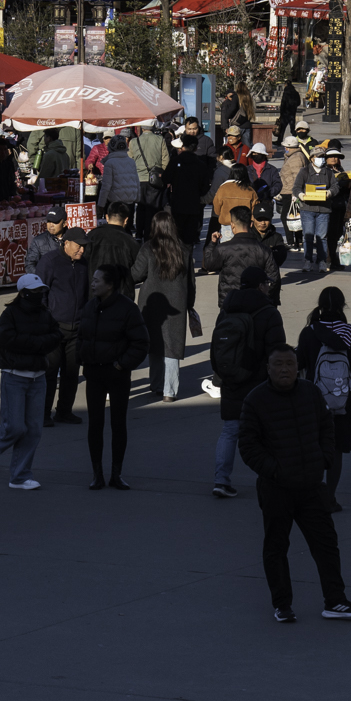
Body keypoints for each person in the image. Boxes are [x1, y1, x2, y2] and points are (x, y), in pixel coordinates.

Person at [240, 345, 351, 623]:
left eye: (289, 363)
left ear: (298, 366)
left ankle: (335, 601)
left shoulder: (311, 392)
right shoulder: (255, 400)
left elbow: (327, 426)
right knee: (276, 547)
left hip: (311, 486)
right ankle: (282, 604)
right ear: (268, 368)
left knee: (326, 544)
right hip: (277, 488)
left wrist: (322, 459)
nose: (284, 369)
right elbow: (248, 446)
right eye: (278, 364)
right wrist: (274, 470)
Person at [209, 264, 285, 497]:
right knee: (268, 431)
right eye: (267, 284)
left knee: (230, 429)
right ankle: (272, 477)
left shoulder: (228, 308)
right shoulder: (269, 312)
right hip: (259, 379)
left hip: (232, 375)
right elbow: (277, 350)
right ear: (261, 286)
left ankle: (221, 480)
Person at [0, 272, 62, 489]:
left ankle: (20, 476)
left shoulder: (45, 314)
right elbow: (4, 340)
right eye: (36, 292)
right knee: (16, 426)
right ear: (24, 293)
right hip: (14, 377)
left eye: (42, 291)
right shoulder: (9, 315)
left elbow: (56, 336)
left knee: (34, 429)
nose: (40, 296)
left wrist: (35, 344)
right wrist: (37, 344)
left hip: (38, 378)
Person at [78, 264, 150, 489]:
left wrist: (122, 365)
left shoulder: (127, 309)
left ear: (109, 285)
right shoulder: (90, 307)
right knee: (95, 425)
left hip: (116, 374)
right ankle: (97, 474)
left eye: (97, 280)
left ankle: (116, 474)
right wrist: (83, 358)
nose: (93, 283)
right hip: (94, 373)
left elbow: (141, 343)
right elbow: (82, 338)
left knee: (118, 424)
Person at [295, 287, 351, 493]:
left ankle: (313, 492)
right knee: (336, 449)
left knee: (314, 444)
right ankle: (330, 496)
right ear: (343, 305)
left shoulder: (309, 332)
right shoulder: (350, 332)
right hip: (344, 397)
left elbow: (299, 363)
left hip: (314, 397)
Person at [139, 210, 196, 400]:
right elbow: (191, 283)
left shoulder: (148, 248)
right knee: (172, 346)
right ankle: (169, 391)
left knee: (154, 343)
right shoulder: (184, 250)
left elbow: (136, 274)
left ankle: (156, 384)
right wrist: (189, 304)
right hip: (177, 303)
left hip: (152, 301)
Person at [38, 228, 91, 426]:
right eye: (78, 246)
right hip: (54, 329)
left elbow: (86, 293)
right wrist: (45, 322)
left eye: (84, 247)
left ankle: (64, 411)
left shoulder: (83, 263)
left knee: (71, 373)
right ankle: (43, 414)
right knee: (50, 373)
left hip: (76, 328)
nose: (82, 250)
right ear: (66, 243)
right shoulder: (50, 262)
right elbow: (40, 293)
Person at [292, 142, 345, 273]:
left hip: (324, 210)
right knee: (308, 236)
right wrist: (301, 195)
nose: (320, 158)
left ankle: (322, 261)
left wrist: (329, 193)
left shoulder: (328, 172)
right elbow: (296, 188)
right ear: (311, 158)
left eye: (322, 156)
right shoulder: (304, 171)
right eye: (318, 156)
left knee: (322, 237)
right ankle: (308, 261)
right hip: (307, 209)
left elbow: (335, 187)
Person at [85, 201, 146, 287]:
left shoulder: (92, 236)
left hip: (94, 289)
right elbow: (139, 271)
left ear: (107, 217)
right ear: (126, 220)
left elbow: (83, 261)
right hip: (121, 292)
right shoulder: (130, 241)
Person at [129, 120, 172, 238]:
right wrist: (160, 174)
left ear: (142, 128)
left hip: (138, 179)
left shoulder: (134, 142)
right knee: (152, 209)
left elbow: (130, 160)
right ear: (153, 127)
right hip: (155, 180)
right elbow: (166, 161)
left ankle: (138, 233)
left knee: (141, 208)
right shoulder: (160, 140)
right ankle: (149, 234)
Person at [97, 129, 144, 219]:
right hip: (130, 201)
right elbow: (136, 182)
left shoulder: (109, 163)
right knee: (127, 227)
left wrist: (101, 204)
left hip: (115, 203)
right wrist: (137, 198)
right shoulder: (131, 161)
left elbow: (106, 186)